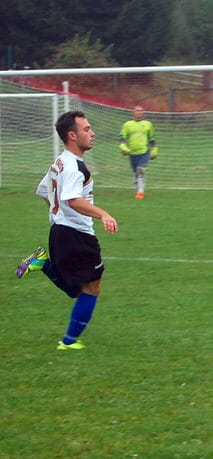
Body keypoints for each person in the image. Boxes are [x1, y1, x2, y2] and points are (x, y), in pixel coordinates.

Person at [16, 110, 119, 350]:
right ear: (72, 135)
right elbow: (73, 199)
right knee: (91, 287)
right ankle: (68, 342)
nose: (92, 133)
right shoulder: (73, 167)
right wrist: (103, 213)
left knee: (78, 289)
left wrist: (57, 214)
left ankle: (44, 263)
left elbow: (44, 191)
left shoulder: (59, 162)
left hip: (60, 232)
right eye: (86, 130)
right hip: (76, 235)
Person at [119, 105, 158, 199]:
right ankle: (138, 188)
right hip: (132, 153)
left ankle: (140, 192)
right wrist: (123, 147)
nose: (139, 112)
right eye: (137, 111)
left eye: (141, 111)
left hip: (144, 151)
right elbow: (122, 139)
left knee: (141, 170)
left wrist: (154, 149)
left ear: (143, 112)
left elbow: (152, 139)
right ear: (133, 112)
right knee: (136, 172)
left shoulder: (148, 124)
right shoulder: (128, 125)